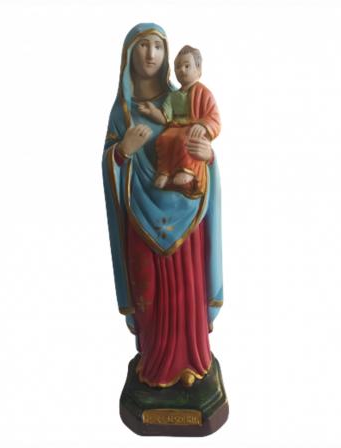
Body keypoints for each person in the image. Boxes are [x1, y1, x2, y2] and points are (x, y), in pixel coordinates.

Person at [102, 23, 223, 388]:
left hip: (185, 216)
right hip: (140, 218)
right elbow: (108, 163)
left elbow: (207, 156)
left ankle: (192, 364)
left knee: (187, 292)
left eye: (158, 46)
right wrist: (123, 152)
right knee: (149, 292)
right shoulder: (123, 113)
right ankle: (154, 365)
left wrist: (208, 155)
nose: (151, 53)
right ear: (129, 56)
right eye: (143, 46)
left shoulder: (183, 98)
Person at [138, 45, 221, 198]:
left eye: (187, 66)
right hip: (175, 126)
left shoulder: (204, 93)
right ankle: (165, 171)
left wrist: (203, 126)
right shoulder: (173, 96)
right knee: (164, 139)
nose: (182, 70)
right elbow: (165, 117)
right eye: (177, 67)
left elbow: (214, 117)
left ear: (198, 69)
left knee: (184, 140)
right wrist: (152, 111)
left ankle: (187, 171)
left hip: (191, 128)